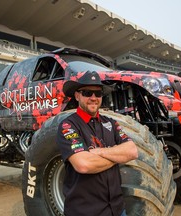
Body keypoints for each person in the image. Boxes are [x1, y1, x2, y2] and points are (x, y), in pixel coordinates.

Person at [56, 71, 138, 216]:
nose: (93, 98)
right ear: (77, 96)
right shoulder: (68, 125)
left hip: (117, 210)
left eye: (98, 93)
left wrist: (100, 152)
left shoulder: (110, 123)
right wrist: (117, 155)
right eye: (87, 93)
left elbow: (132, 151)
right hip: (85, 212)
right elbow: (84, 165)